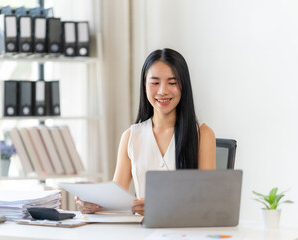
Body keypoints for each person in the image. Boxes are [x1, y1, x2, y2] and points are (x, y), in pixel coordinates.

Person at [76, 48, 216, 215]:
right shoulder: (131, 136)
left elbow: (208, 199)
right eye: (155, 83)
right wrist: (94, 205)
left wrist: (160, 205)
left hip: (185, 231)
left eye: (172, 83)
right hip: (141, 232)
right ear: (144, 86)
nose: (163, 91)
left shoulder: (202, 134)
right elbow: (116, 198)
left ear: (184, 86)